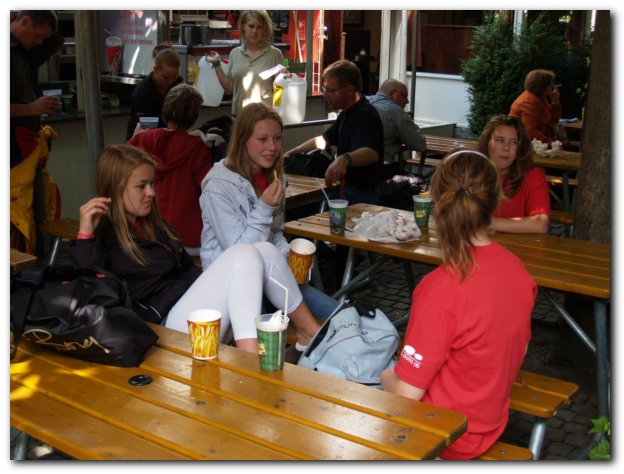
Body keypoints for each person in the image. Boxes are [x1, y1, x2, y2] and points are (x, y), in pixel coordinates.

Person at [67, 145, 321, 354]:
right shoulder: (103, 236)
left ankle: (309, 333)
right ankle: (251, 362)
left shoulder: (156, 226)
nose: (151, 192)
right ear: (115, 188)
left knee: (263, 249)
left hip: (192, 315)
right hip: (161, 331)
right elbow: (92, 297)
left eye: (152, 183)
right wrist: (85, 237)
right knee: (244, 253)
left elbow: (189, 274)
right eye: (141, 186)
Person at [380, 149, 536, 460]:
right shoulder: (518, 269)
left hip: (444, 437)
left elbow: (407, 393)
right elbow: (520, 349)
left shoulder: (439, 290)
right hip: (490, 423)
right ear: (495, 201)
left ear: (437, 203)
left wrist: (384, 373)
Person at [199, 102, 340, 319]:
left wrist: (287, 253)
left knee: (337, 314)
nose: (272, 147)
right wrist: (265, 208)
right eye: (262, 139)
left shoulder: (275, 178)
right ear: (242, 140)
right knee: (287, 330)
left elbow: (274, 233)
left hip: (270, 279)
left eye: (277, 138)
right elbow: (238, 255)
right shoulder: (218, 186)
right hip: (229, 287)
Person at [127, 83, 213, 252]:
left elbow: (118, 166)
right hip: (187, 238)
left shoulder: (142, 139)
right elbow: (210, 189)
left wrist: (134, 138)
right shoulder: (199, 148)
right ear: (195, 116)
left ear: (165, 109)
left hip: (147, 234)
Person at [285, 60, 385, 205]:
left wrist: (344, 159)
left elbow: (372, 153)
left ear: (349, 90)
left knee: (299, 208)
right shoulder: (347, 112)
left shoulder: (363, 115)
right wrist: (291, 152)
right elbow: (324, 140)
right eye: (324, 89)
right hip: (348, 189)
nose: (325, 95)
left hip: (358, 194)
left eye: (330, 90)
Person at [10, 10, 64, 254]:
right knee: (15, 216)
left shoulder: (25, 50)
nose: (40, 42)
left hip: (29, 144)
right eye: (38, 35)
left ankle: (35, 263)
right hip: (12, 148)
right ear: (25, 22)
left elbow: (54, 40)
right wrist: (32, 108)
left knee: (35, 212)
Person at [476, 115, 550, 234]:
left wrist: (488, 224)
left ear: (521, 148)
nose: (506, 148)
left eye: (514, 142)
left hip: (519, 245)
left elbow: (540, 224)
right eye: (500, 140)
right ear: (487, 143)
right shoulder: (472, 172)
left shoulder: (533, 174)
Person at [204, 10, 284, 118]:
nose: (254, 31)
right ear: (243, 26)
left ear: (264, 30)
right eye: (251, 26)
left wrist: (283, 81)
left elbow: (280, 93)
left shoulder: (275, 54)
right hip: (239, 117)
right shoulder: (235, 53)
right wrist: (216, 64)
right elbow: (229, 89)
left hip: (264, 119)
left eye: (259, 27)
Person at [367, 78, 426, 177]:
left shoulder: (362, 102)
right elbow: (421, 145)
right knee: (421, 181)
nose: (407, 101)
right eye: (405, 96)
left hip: (349, 169)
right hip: (377, 171)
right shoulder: (395, 111)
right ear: (391, 94)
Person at [125, 42, 184, 140]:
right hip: (141, 139)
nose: (170, 81)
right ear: (155, 70)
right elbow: (143, 129)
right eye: (166, 77)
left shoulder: (179, 84)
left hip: (169, 138)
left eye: (174, 77)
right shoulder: (143, 92)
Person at [509, 69, 561, 145]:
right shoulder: (528, 102)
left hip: (539, 143)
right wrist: (550, 143)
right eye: (550, 84)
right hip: (525, 145)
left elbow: (553, 121)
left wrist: (555, 102)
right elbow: (530, 132)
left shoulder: (541, 99)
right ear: (542, 86)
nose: (552, 86)